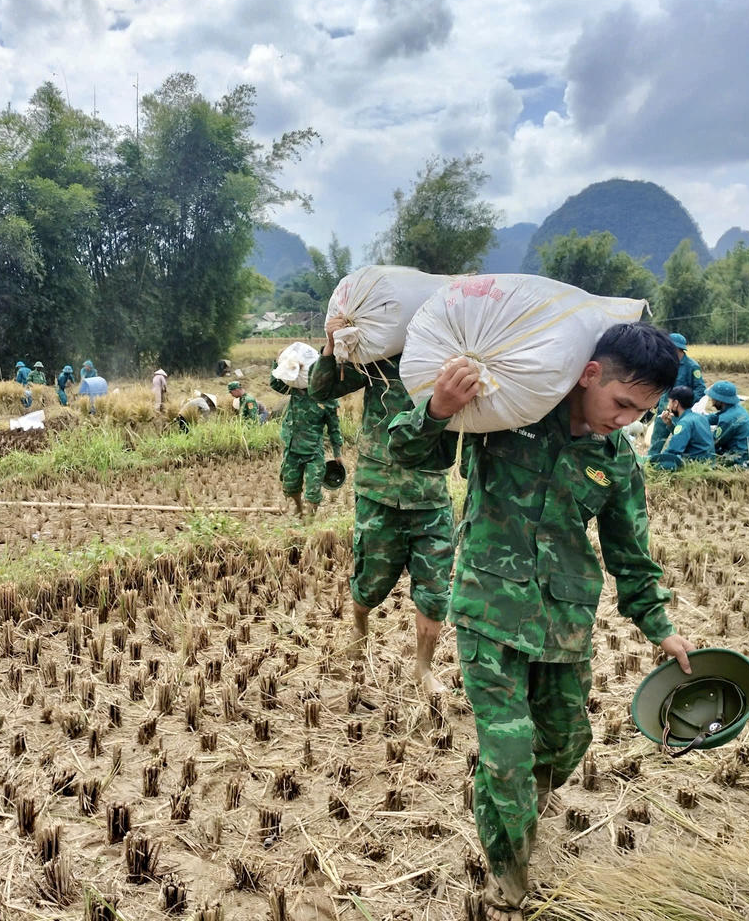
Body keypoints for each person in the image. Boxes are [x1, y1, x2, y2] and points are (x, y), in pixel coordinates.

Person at [387, 323, 694, 920]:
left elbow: (630, 554)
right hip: (488, 609)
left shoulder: (616, 462)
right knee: (508, 750)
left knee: (566, 742)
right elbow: (410, 454)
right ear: (590, 373)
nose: (626, 419)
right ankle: (508, 881)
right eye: (622, 403)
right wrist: (438, 408)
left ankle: (523, 801)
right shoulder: (507, 412)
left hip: (564, 620)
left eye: (642, 412)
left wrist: (659, 626)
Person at [307, 321, 454, 696]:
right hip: (380, 491)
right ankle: (359, 625)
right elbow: (320, 389)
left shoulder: (452, 359)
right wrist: (331, 344)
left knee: (435, 593)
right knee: (370, 582)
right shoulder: (381, 357)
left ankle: (423, 668)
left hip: (431, 495)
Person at [270, 373, 342, 517]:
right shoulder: (295, 389)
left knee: (313, 490)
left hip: (313, 451)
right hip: (292, 449)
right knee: (290, 486)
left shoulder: (328, 400)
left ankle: (309, 519)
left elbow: (334, 428)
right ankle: (298, 507)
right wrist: (277, 362)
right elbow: (275, 383)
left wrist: (337, 452)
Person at [647, 333, 704, 455]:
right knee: (656, 442)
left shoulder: (692, 367)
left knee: (680, 441)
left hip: (680, 413)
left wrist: (686, 403)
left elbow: (700, 389)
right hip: (664, 409)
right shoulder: (665, 364)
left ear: (677, 349)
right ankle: (650, 464)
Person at [648, 386, 714, 470]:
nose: (668, 406)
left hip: (694, 465)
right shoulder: (700, 417)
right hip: (707, 463)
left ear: (675, 403)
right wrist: (669, 424)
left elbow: (672, 452)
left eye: (669, 402)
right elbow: (684, 437)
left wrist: (651, 463)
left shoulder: (684, 422)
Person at [705, 380, 749, 467]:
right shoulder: (735, 409)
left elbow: (714, 443)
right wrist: (696, 419)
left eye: (713, 398)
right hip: (747, 455)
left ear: (720, 401)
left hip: (741, 461)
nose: (712, 401)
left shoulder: (727, 419)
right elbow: (715, 417)